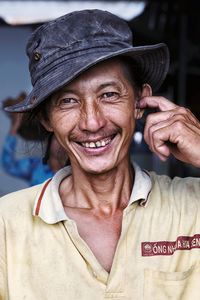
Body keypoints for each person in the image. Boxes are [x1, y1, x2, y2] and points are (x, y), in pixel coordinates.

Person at [1, 9, 200, 300]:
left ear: (139, 102)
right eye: (68, 101)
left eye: (109, 94)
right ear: (46, 119)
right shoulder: (6, 224)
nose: (92, 122)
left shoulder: (193, 207)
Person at [1, 110, 66, 186]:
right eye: (58, 138)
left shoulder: (75, 172)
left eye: (66, 139)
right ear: (48, 141)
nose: (62, 143)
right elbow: (9, 164)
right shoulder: (34, 165)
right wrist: (15, 126)